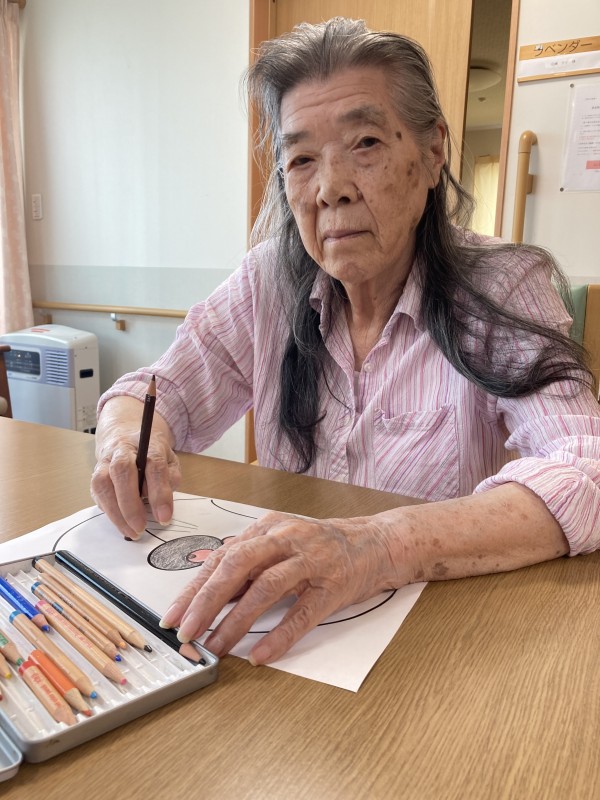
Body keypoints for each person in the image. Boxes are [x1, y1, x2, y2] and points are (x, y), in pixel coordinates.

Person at [91, 17, 600, 667]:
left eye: (365, 143)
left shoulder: (501, 285)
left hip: (444, 643)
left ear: (433, 152)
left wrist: (377, 545)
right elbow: (156, 393)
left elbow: (586, 470)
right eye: (302, 159)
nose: (329, 188)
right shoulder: (266, 283)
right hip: (292, 636)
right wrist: (125, 435)